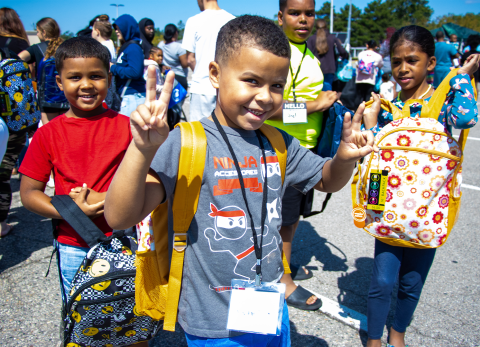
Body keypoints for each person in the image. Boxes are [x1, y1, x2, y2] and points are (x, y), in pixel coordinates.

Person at [105, 14, 376, 346]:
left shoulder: (279, 141)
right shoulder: (185, 142)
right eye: (251, 81)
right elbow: (119, 216)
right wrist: (141, 149)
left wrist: (344, 158)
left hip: (269, 309)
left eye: (276, 85)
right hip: (212, 322)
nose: (265, 97)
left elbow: (326, 180)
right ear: (216, 74)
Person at [18, 37, 148, 347]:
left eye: (96, 76)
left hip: (126, 240)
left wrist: (102, 201)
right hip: (74, 245)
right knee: (84, 317)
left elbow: (150, 182)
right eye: (75, 77)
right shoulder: (48, 134)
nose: (86, 85)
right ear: (59, 81)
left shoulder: (129, 127)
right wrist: (70, 209)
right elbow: (29, 194)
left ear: (109, 78)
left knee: (132, 315)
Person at [363, 25, 479, 347]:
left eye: (412, 60)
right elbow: (376, 162)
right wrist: (373, 204)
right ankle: (374, 339)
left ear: (430, 63)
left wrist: (459, 75)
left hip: (430, 211)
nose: (402, 69)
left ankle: (397, 334)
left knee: (412, 282)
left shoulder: (444, 104)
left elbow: (468, 117)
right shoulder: (388, 107)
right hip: (389, 210)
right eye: (396, 61)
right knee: (382, 281)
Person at [265, 0, 338, 312]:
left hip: (306, 150)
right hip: (281, 149)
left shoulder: (308, 52)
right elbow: (271, 108)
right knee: (282, 220)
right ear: (280, 17)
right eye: (295, 13)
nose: (304, 19)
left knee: (291, 218)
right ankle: (282, 280)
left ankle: (286, 264)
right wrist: (315, 106)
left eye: (309, 13)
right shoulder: (281, 54)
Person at [182, 0, 235, 121]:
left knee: (199, 132)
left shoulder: (193, 21)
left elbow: (190, 59)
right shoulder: (232, 20)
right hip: (226, 87)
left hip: (201, 88)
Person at [18, 17, 67, 124]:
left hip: (46, 99)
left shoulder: (36, 48)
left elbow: (18, 59)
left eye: (38, 32)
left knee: (51, 132)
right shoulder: (66, 46)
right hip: (67, 96)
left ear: (44, 32)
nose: (37, 34)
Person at [112, 14, 146, 117]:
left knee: (130, 132)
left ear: (127, 28)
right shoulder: (128, 47)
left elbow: (135, 72)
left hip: (133, 97)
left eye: (119, 29)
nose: (116, 31)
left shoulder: (133, 47)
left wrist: (113, 68)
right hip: (129, 97)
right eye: (116, 29)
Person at [306, 18, 348, 91]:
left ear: (315, 27)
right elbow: (343, 52)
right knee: (327, 91)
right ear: (326, 27)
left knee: (316, 91)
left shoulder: (311, 39)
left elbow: (306, 55)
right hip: (330, 68)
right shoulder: (333, 38)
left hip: (315, 69)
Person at [158, 23, 189, 91]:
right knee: (179, 101)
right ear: (175, 33)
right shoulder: (179, 47)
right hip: (179, 77)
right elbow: (184, 64)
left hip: (166, 76)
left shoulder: (160, 45)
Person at [355, 39, 383, 108]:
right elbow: (380, 65)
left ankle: (356, 111)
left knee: (358, 96)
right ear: (375, 47)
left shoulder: (361, 54)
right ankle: (366, 111)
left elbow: (358, 63)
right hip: (370, 79)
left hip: (359, 78)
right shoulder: (378, 56)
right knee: (368, 96)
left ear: (367, 45)